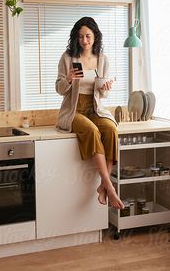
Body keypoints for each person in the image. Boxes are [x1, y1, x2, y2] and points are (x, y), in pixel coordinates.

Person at [55, 16, 124, 209]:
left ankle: (103, 185)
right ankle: (109, 186)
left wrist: (106, 87)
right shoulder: (68, 57)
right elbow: (59, 89)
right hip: (73, 110)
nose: (84, 41)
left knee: (110, 128)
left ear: (95, 37)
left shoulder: (102, 59)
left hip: (94, 109)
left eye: (88, 36)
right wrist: (68, 79)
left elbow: (103, 95)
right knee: (92, 131)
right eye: (80, 37)